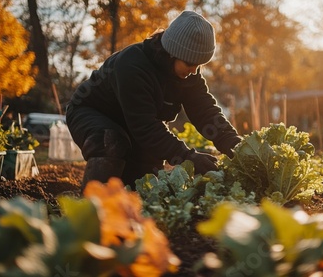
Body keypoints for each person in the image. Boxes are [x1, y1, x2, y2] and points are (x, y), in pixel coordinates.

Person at [66, 10, 242, 191]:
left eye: (199, 66)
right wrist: (188, 156)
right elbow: (145, 126)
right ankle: (91, 203)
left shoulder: (189, 75)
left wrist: (237, 146)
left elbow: (205, 112)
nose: (194, 70)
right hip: (90, 113)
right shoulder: (132, 65)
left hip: (135, 126)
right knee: (110, 141)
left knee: (142, 186)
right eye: (190, 64)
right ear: (173, 53)